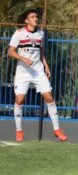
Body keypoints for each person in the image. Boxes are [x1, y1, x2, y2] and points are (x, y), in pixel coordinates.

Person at [8, 9, 67, 142]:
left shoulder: (41, 33)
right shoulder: (19, 34)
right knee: (20, 100)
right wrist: (23, 59)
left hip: (38, 71)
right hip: (23, 72)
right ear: (27, 20)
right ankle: (19, 131)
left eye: (36, 16)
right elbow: (10, 52)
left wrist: (45, 64)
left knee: (49, 97)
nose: (36, 18)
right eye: (33, 17)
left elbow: (40, 51)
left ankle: (57, 129)